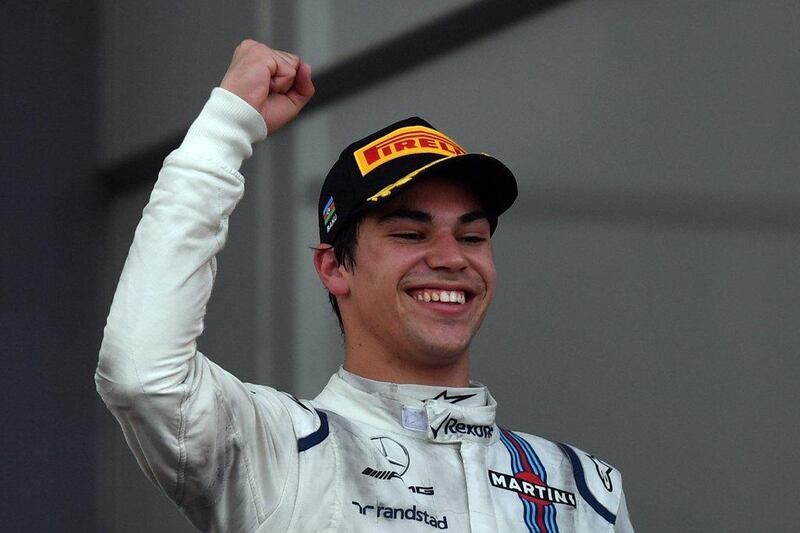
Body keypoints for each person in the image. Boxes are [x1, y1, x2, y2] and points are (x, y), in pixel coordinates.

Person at [96, 40, 635, 532]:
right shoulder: (279, 450)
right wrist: (225, 127)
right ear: (334, 268)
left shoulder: (582, 489)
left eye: (472, 236)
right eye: (409, 233)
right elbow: (143, 375)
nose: (451, 258)